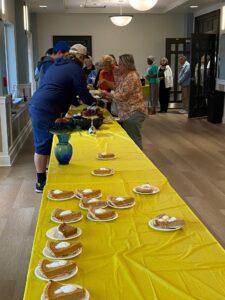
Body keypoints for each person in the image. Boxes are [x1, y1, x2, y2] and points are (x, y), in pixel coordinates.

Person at [29, 44, 95, 193]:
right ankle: (40, 182)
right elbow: (82, 92)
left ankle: (47, 173)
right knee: (42, 144)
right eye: (84, 58)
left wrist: (75, 102)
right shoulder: (75, 68)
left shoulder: (57, 65)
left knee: (46, 143)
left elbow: (62, 87)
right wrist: (94, 103)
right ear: (81, 57)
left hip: (40, 104)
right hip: (45, 108)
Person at [101, 54, 147, 149]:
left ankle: (138, 160)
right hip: (127, 112)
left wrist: (108, 94)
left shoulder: (131, 76)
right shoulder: (125, 75)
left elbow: (122, 96)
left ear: (126, 64)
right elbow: (118, 88)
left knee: (134, 139)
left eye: (120, 64)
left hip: (133, 112)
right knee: (130, 138)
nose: (118, 66)